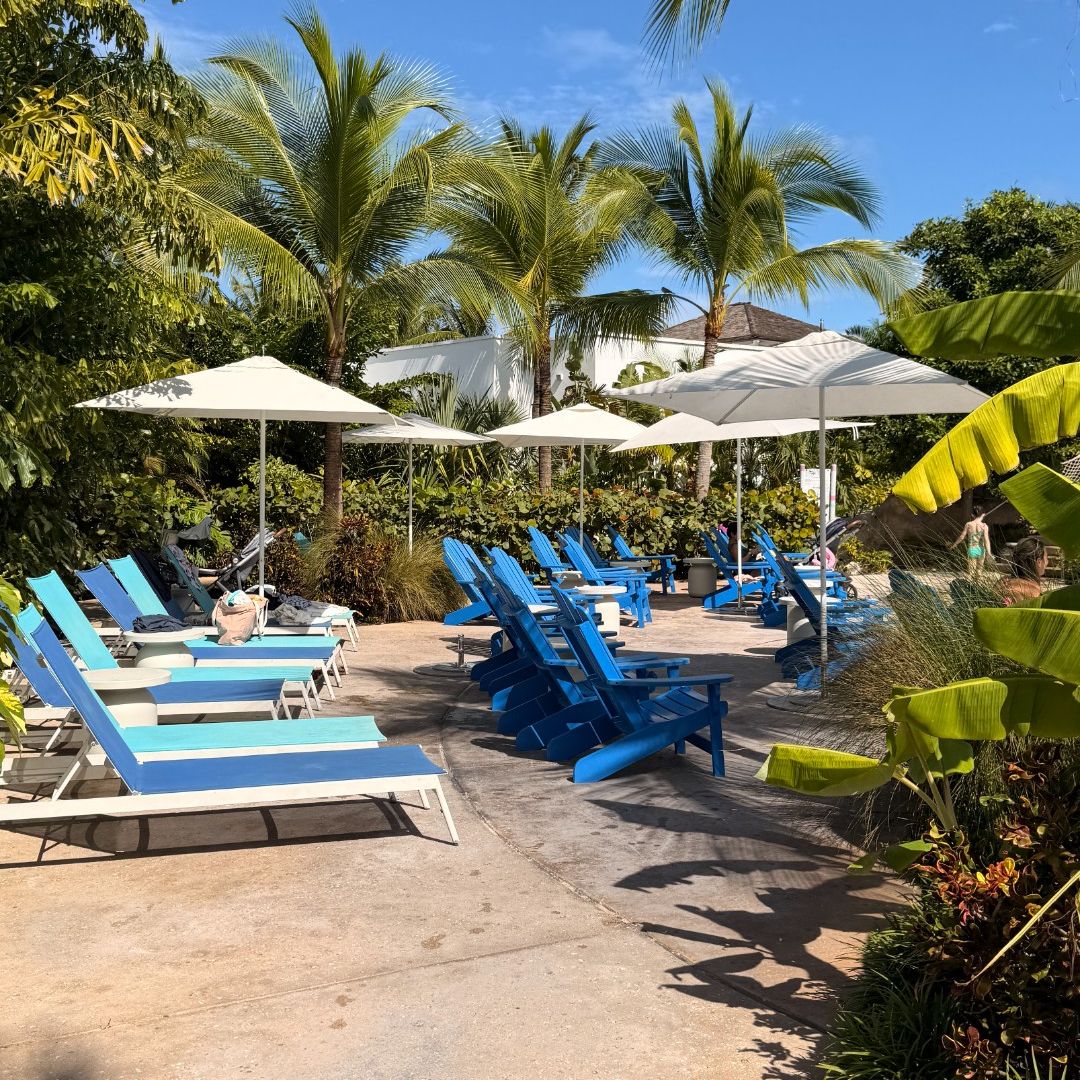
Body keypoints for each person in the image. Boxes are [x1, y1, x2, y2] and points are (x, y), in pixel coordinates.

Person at [995, 536, 1049, 605]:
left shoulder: (1001, 582)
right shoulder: (1034, 591)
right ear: (1039, 562)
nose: (1047, 562)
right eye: (1046, 558)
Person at [951, 505, 991, 575]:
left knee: (971, 572)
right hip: (981, 550)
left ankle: (971, 585)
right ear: (983, 514)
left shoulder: (969, 524)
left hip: (972, 549)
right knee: (979, 570)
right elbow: (986, 540)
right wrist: (989, 552)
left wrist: (954, 545)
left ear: (972, 515)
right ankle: (978, 585)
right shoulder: (984, 526)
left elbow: (962, 537)